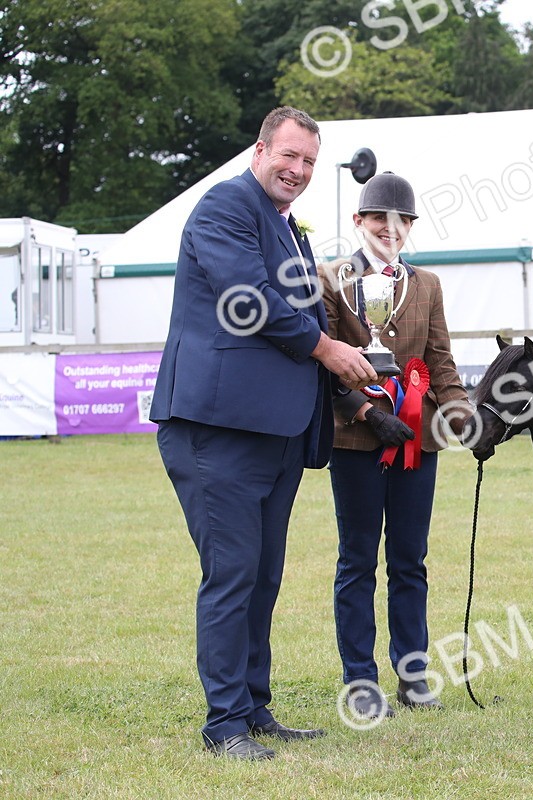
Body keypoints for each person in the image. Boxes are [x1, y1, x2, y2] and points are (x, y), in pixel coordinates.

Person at [151, 106, 377, 760]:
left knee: (262, 577)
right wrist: (328, 349)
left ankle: (252, 707)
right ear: (260, 149)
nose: (299, 170)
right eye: (290, 156)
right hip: (217, 431)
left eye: (309, 161)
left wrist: (356, 392)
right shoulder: (225, 207)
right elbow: (248, 300)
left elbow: (300, 314)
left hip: (275, 433)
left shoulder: (287, 229)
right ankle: (223, 725)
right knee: (232, 574)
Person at [320, 171, 471, 719]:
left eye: (401, 220)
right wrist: (361, 410)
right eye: (379, 218)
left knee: (410, 560)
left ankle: (413, 673)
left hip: (416, 440)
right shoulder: (331, 277)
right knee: (357, 560)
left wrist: (460, 415)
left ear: (409, 227)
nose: (391, 229)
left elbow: (439, 361)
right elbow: (323, 363)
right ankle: (360, 679)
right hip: (356, 440)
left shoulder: (426, 285)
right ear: (359, 222)